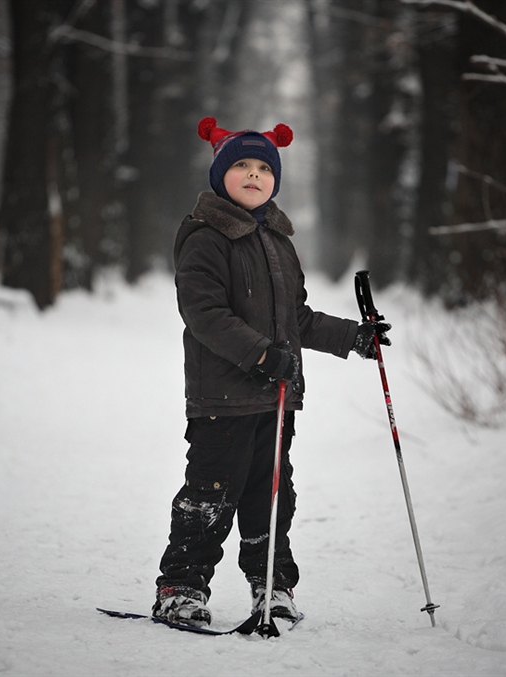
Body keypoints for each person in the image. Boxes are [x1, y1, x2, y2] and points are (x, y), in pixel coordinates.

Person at [152, 117, 390, 628]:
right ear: (220, 175)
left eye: (264, 167)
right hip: (223, 397)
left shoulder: (277, 241)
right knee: (212, 493)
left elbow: (296, 318)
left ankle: (272, 587)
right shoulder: (205, 236)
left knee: (273, 494)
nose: (254, 174)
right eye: (241, 165)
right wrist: (262, 354)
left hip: (277, 397)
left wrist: (353, 337)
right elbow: (205, 314)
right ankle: (180, 588)